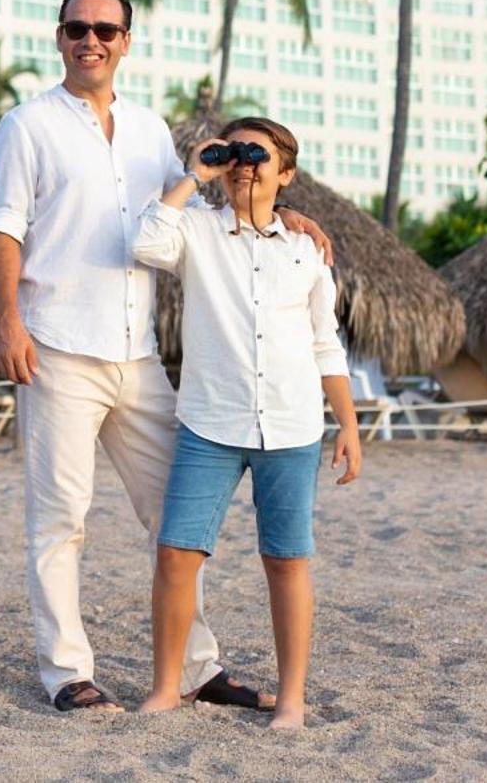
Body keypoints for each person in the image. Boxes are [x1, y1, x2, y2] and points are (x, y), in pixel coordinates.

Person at [0, 0, 334, 714]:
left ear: (125, 41)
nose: (92, 40)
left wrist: (284, 208)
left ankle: (198, 667)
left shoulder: (149, 131)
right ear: (60, 38)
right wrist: (7, 320)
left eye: (106, 29)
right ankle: (66, 671)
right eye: (78, 28)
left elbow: (202, 210)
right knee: (60, 516)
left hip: (137, 353)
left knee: (175, 523)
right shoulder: (26, 125)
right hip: (56, 344)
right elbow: (5, 226)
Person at [132, 117, 361, 731]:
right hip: (210, 423)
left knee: (286, 560)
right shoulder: (198, 230)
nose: (244, 165)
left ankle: (291, 701)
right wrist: (194, 175)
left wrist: (349, 425)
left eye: (258, 156)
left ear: (285, 174)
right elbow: (145, 242)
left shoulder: (306, 248)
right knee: (177, 553)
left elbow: (325, 344)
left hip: (291, 427)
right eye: (236, 155)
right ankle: (165, 688)